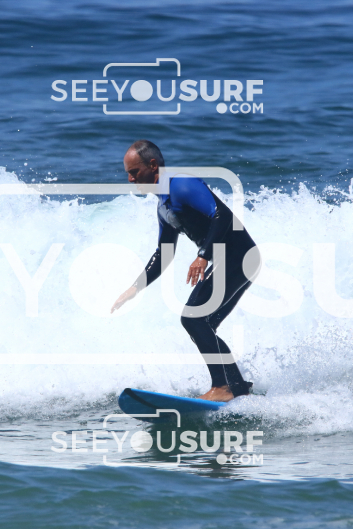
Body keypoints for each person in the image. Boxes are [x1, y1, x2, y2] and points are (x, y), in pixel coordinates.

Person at [111, 140, 260, 402]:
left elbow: (222, 216)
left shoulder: (181, 184)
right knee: (204, 325)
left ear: (153, 165)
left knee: (193, 319)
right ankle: (237, 387)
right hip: (236, 258)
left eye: (134, 172)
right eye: (128, 173)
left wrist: (203, 256)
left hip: (240, 256)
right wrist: (135, 287)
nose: (131, 179)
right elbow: (164, 253)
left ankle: (221, 387)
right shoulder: (164, 206)